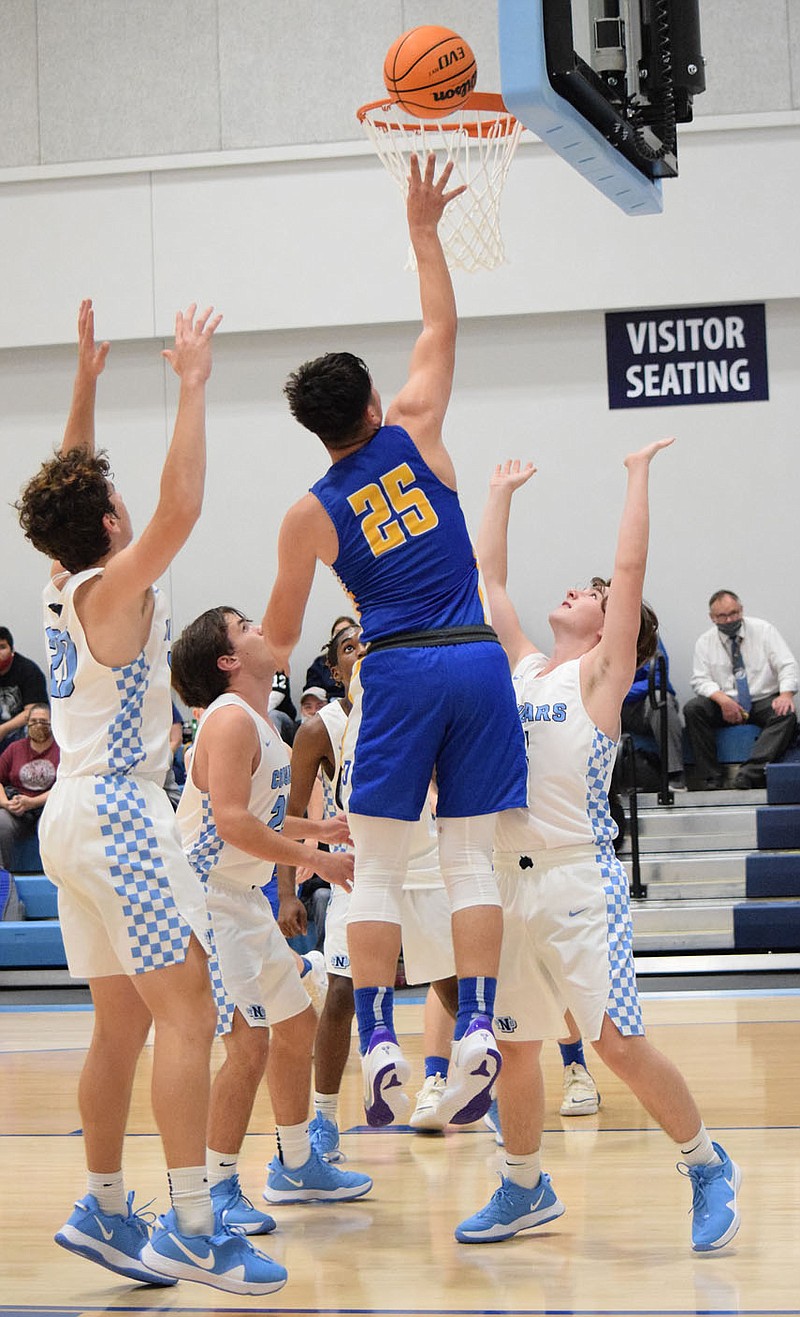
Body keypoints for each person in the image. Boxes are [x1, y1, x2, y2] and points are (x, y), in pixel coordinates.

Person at [16, 299, 286, 1295]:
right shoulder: (114, 584)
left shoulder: (61, 576)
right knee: (189, 1021)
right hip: (122, 816)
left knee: (121, 1026)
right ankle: (188, 1227)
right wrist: (191, 386)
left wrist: (84, 382)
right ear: (109, 524)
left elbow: (72, 488)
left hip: (67, 823)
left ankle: (103, 1204)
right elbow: (178, 511)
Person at [262, 154, 527, 1130]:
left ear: (311, 429)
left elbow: (282, 637)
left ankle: (376, 1037)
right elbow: (439, 327)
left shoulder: (309, 512)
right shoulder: (416, 429)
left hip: (403, 667)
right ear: (372, 406)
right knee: (468, 866)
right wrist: (421, 229)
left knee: (375, 869)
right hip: (477, 657)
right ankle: (478, 1029)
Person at [456, 443, 741, 1255]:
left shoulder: (600, 679)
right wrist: (500, 492)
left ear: (617, 628)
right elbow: (491, 584)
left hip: (579, 881)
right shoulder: (527, 667)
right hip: (509, 886)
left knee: (614, 1042)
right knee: (515, 1045)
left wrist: (637, 475)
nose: (580, 589)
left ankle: (707, 1164)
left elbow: (630, 562)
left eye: (596, 594)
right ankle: (523, 1186)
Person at [170, 606, 371, 1221]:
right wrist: (322, 858)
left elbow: (257, 814)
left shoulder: (258, 721)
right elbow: (230, 821)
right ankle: (216, 1188)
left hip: (240, 897)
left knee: (294, 1027)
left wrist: (319, 827)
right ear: (228, 661)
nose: (262, 626)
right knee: (249, 1043)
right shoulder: (229, 721)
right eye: (244, 626)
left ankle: (293, 1166)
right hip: (207, 901)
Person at [277, 622, 459, 1156]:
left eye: (369, 644)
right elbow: (288, 816)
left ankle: (475, 1090)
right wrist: (289, 891)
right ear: (335, 671)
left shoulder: (417, 707)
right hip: (360, 868)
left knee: (450, 987)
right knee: (341, 993)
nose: (361, 652)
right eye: (348, 648)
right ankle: (325, 1119)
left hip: (425, 863)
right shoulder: (320, 729)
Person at [684, 590, 798, 790]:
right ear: (712, 618)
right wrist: (723, 701)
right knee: (693, 709)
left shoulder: (764, 630)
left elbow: (787, 665)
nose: (729, 619)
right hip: (724, 701)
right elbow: (700, 680)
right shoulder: (705, 642)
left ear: (741, 610)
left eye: (734, 613)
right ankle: (711, 778)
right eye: (722, 616)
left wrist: (786, 694)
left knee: (786, 713)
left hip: (761, 699)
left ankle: (749, 774)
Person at [0, 702, 59, 875]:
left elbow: (65, 785)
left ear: (52, 723)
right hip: (18, 808)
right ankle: (3, 878)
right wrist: (5, 803)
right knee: (1, 821)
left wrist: (32, 802)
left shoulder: (62, 750)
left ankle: (55, 876)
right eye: (33, 721)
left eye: (43, 721)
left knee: (53, 824)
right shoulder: (14, 749)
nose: (38, 725)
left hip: (50, 807)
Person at [621, 633, 686, 790]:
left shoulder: (648, 636)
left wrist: (622, 691)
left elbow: (658, 678)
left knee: (660, 699)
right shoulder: (595, 637)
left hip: (642, 702)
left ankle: (674, 773)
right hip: (613, 704)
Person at [0, 626, 48, 752]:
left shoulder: (29, 671)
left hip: (19, 729)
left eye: (2, 647)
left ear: (12, 649)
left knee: (36, 724)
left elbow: (34, 710)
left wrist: (3, 729)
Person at [304, 615, 359, 701]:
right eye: (338, 632)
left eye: (346, 631)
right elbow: (312, 692)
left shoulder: (362, 658)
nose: (342, 636)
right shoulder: (320, 663)